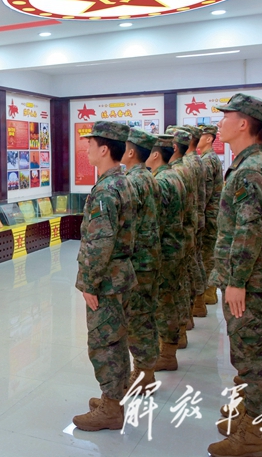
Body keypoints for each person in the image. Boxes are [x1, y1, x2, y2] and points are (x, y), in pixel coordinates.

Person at [207, 94, 262, 457]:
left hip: (248, 282)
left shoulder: (251, 169)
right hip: (249, 277)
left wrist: (237, 281)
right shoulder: (250, 163)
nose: (220, 123)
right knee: (246, 352)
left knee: (253, 356)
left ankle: (252, 435)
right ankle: (247, 417)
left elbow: (248, 230)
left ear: (244, 124)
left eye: (227, 117)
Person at [72, 121, 136, 432]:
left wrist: (89, 283)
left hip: (106, 281)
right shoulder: (123, 181)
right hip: (121, 275)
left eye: (90, 144)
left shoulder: (106, 190)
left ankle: (111, 408)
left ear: (104, 149)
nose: (86, 149)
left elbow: (100, 242)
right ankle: (113, 399)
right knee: (117, 340)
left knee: (104, 343)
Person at [121, 128, 161, 389]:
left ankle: (144, 373)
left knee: (138, 318)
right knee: (145, 314)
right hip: (149, 256)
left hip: (138, 260)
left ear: (132, 152)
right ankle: (146, 370)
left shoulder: (134, 181)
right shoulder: (149, 177)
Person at [148, 134, 187, 372]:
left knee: (164, 303)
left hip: (164, 250)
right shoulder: (174, 175)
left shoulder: (161, 181)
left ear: (155, 155)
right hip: (175, 246)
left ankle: (167, 353)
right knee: (171, 297)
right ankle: (171, 345)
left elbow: (156, 221)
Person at [167, 127, 197, 347]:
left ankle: (178, 332)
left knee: (174, 289)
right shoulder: (184, 168)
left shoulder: (176, 172)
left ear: (174, 147)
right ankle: (184, 325)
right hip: (185, 231)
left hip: (176, 236)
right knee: (182, 282)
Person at [181, 125, 208, 318]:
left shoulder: (189, 163)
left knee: (191, 263)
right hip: (196, 216)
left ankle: (197, 302)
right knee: (195, 260)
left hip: (191, 219)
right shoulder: (196, 161)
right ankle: (198, 301)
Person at [198, 124, 223, 305]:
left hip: (209, 215)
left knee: (206, 254)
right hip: (212, 213)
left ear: (209, 139)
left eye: (201, 135)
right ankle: (209, 292)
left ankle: (208, 293)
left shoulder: (207, 160)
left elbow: (204, 193)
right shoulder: (210, 158)